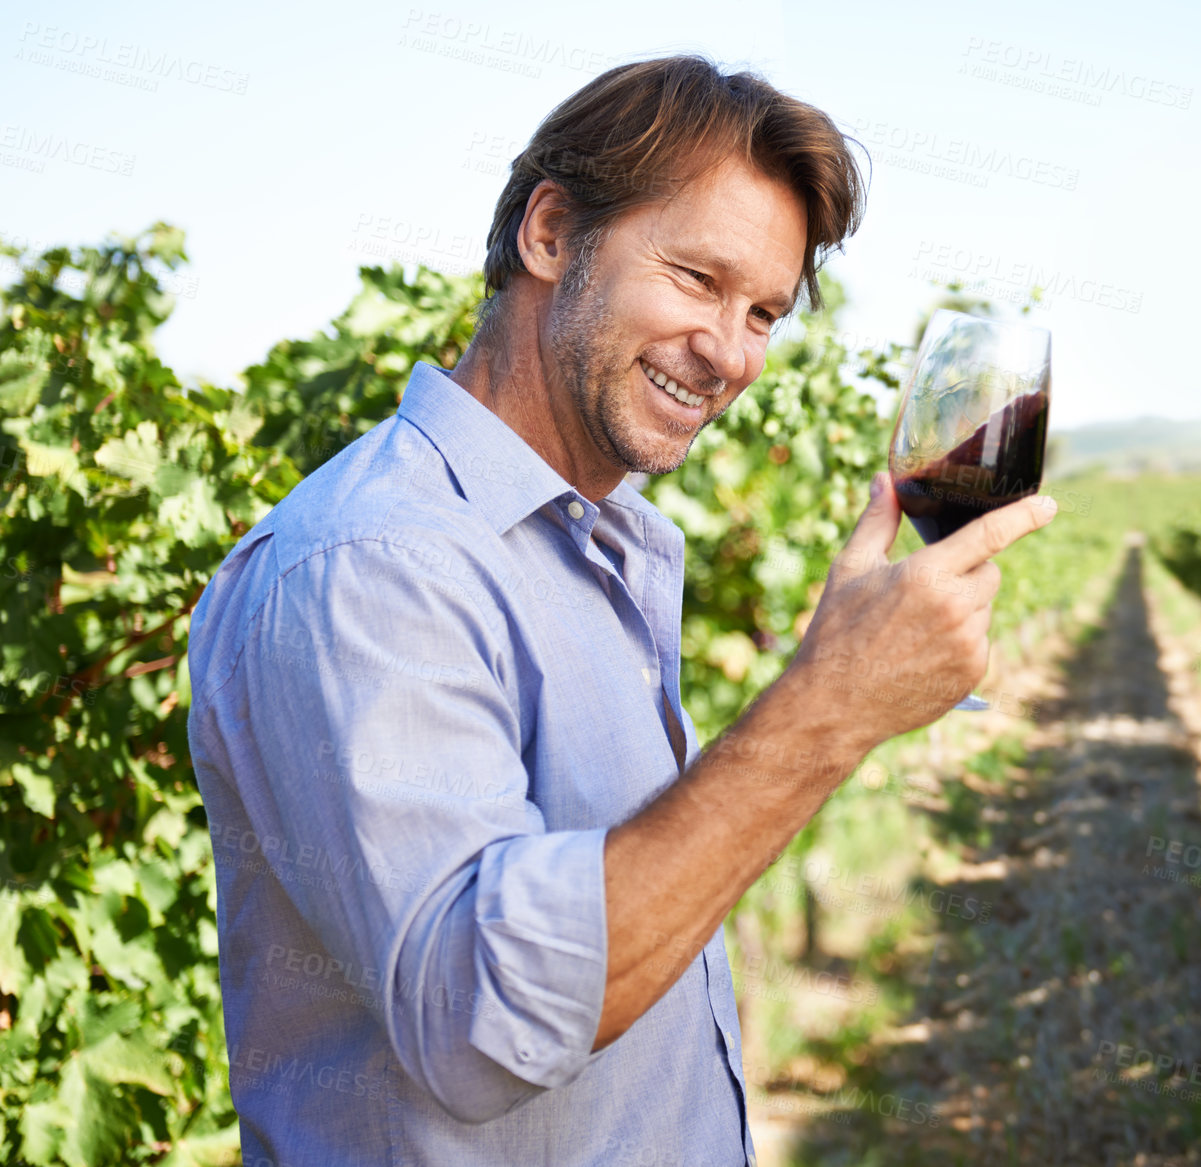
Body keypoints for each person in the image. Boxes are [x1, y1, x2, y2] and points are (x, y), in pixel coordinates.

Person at [187, 54, 1055, 1166]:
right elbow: (480, 1021)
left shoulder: (595, 548)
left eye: (763, 313)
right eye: (697, 279)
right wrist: (826, 713)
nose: (730, 353)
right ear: (549, 234)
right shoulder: (372, 564)